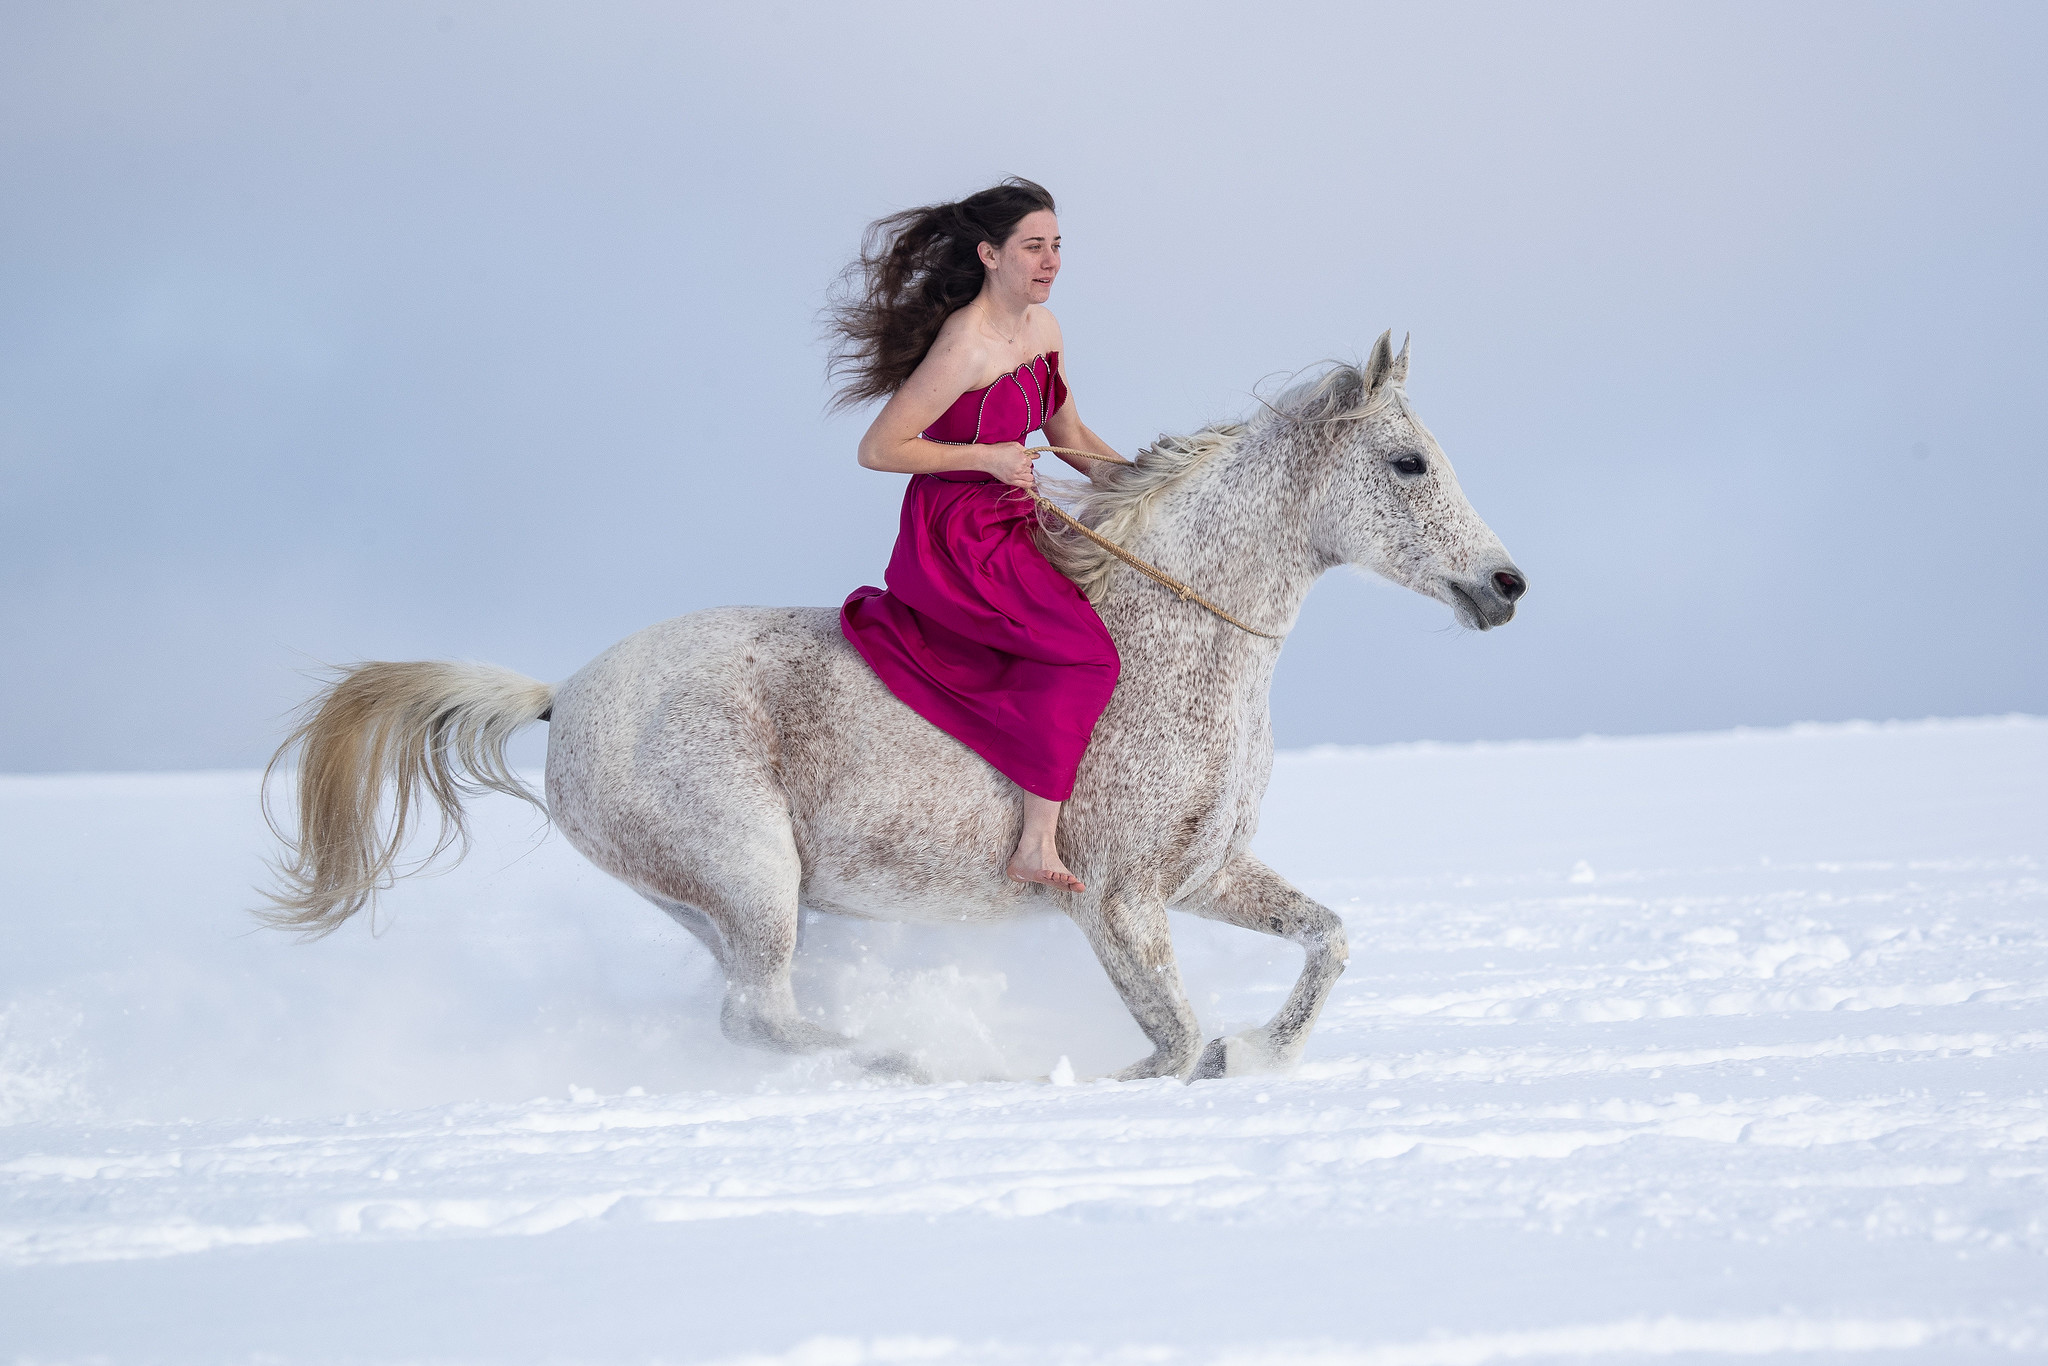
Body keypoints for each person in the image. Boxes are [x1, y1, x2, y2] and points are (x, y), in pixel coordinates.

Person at [830, 178, 1124, 894]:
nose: (1050, 261)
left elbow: (1071, 435)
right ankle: (1035, 842)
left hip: (1016, 512)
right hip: (958, 529)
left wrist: (1150, 486)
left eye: (1056, 246)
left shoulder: (1044, 331)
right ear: (990, 254)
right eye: (1033, 247)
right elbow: (879, 448)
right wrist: (986, 457)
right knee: (1085, 657)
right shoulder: (964, 345)